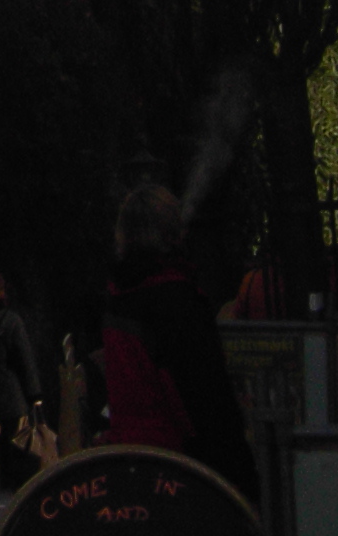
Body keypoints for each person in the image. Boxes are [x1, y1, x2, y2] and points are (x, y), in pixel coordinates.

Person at [98, 184, 259, 499]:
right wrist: (238, 471)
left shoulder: (117, 295)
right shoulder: (176, 299)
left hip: (129, 455)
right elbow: (205, 394)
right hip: (179, 463)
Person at [0, 268, 47, 495]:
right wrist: (35, 394)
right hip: (12, 395)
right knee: (16, 447)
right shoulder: (12, 321)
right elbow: (24, 361)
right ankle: (18, 494)